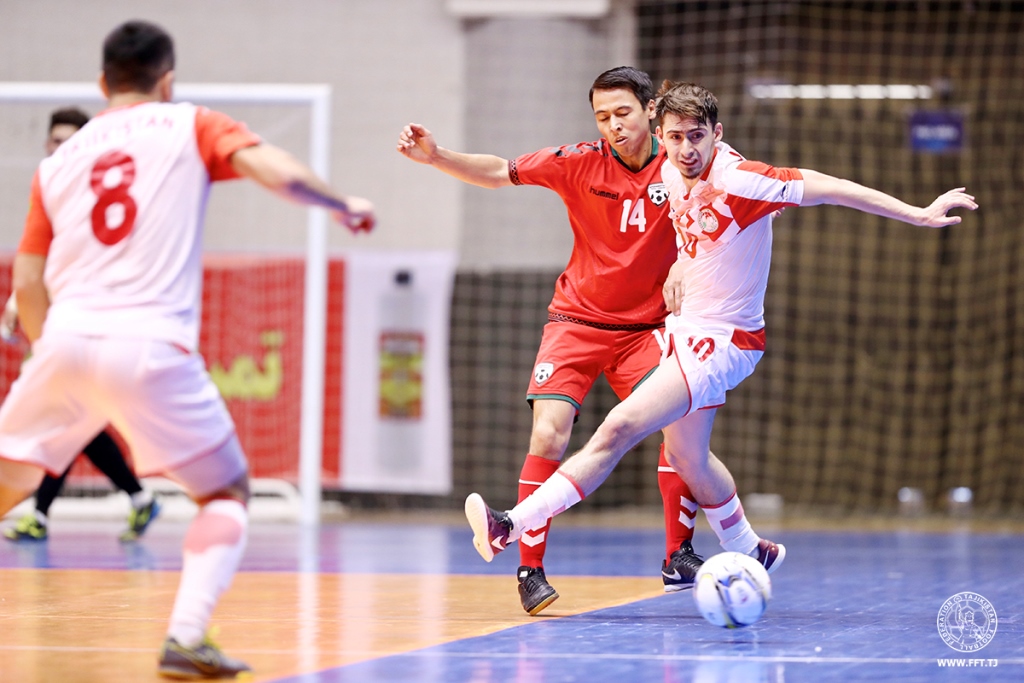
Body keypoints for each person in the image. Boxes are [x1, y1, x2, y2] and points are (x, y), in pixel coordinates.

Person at [465, 81, 977, 570]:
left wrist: (917, 214)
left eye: (697, 136)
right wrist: (680, 265)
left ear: (718, 133)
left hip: (725, 341)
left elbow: (833, 188)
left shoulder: (743, 180)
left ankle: (509, 525)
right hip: (684, 329)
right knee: (689, 458)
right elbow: (696, 233)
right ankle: (749, 548)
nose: (686, 149)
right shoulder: (668, 173)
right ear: (660, 136)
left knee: (618, 428)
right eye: (675, 137)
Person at [0, 20, 374, 679]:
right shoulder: (188, 124)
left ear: (102, 82)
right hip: (149, 345)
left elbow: (27, 282)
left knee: (8, 483)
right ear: (167, 80)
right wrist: (338, 202)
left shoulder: (58, 160)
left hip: (63, 340)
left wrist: (45, 351)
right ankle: (186, 635)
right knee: (225, 490)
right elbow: (271, 169)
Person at [399, 67, 780, 615]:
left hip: (649, 329)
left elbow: (720, 221)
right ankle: (529, 569)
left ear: (651, 112)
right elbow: (500, 171)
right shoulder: (577, 162)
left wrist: (685, 266)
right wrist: (437, 156)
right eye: (602, 117)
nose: (613, 126)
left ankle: (679, 555)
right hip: (577, 322)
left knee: (679, 435)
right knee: (549, 432)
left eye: (623, 113)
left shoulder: (684, 162)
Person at [2, 106, 160, 544]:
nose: (61, 149)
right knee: (73, 420)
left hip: (96, 325)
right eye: (55, 141)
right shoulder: (51, 189)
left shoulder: (94, 193)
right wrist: (19, 299)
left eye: (70, 141)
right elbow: (40, 259)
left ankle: (45, 512)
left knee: (65, 419)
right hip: (62, 326)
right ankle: (136, 497)